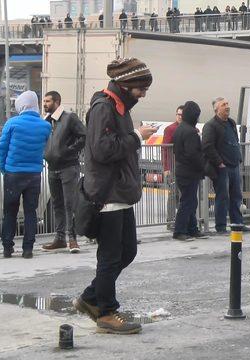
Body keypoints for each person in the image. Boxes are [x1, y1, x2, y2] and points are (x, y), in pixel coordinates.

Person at [72, 58, 157, 334]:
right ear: (126, 84)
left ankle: (90, 297)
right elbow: (102, 150)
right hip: (107, 195)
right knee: (109, 256)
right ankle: (106, 312)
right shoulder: (103, 107)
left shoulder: (119, 107)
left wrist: (133, 135)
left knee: (127, 250)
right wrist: (137, 136)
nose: (143, 94)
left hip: (119, 193)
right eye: (141, 88)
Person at [0, 91, 52, 259]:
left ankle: (8, 248)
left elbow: (2, 148)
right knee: (31, 212)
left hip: (13, 173)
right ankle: (28, 249)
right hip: (34, 174)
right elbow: (46, 148)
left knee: (10, 212)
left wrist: (3, 168)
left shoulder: (12, 123)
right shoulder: (45, 126)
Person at [40, 91, 87, 253]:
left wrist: (68, 151)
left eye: (47, 101)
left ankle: (72, 239)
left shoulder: (69, 118)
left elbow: (84, 136)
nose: (45, 104)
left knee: (69, 203)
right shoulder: (46, 121)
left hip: (68, 167)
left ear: (57, 102)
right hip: (53, 168)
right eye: (44, 101)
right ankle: (59, 238)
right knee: (57, 203)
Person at [202, 97, 249, 234]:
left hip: (234, 165)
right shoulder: (210, 126)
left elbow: (235, 141)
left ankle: (237, 224)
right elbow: (207, 146)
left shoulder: (231, 123)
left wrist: (238, 158)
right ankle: (221, 226)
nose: (227, 106)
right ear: (217, 109)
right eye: (223, 105)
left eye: (227, 104)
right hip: (222, 168)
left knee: (236, 196)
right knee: (222, 197)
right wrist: (219, 162)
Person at [172, 101, 209, 241]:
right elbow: (193, 154)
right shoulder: (191, 132)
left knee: (190, 201)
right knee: (188, 202)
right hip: (189, 172)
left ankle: (193, 229)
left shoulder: (180, 129)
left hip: (182, 170)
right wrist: (203, 167)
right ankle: (179, 230)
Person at [161, 106, 184, 227]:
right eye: (178, 114)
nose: (180, 117)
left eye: (182, 115)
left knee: (183, 195)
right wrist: (166, 168)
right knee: (172, 194)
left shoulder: (191, 129)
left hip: (184, 168)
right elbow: (165, 149)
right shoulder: (170, 129)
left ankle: (181, 220)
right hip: (173, 167)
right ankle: (170, 221)